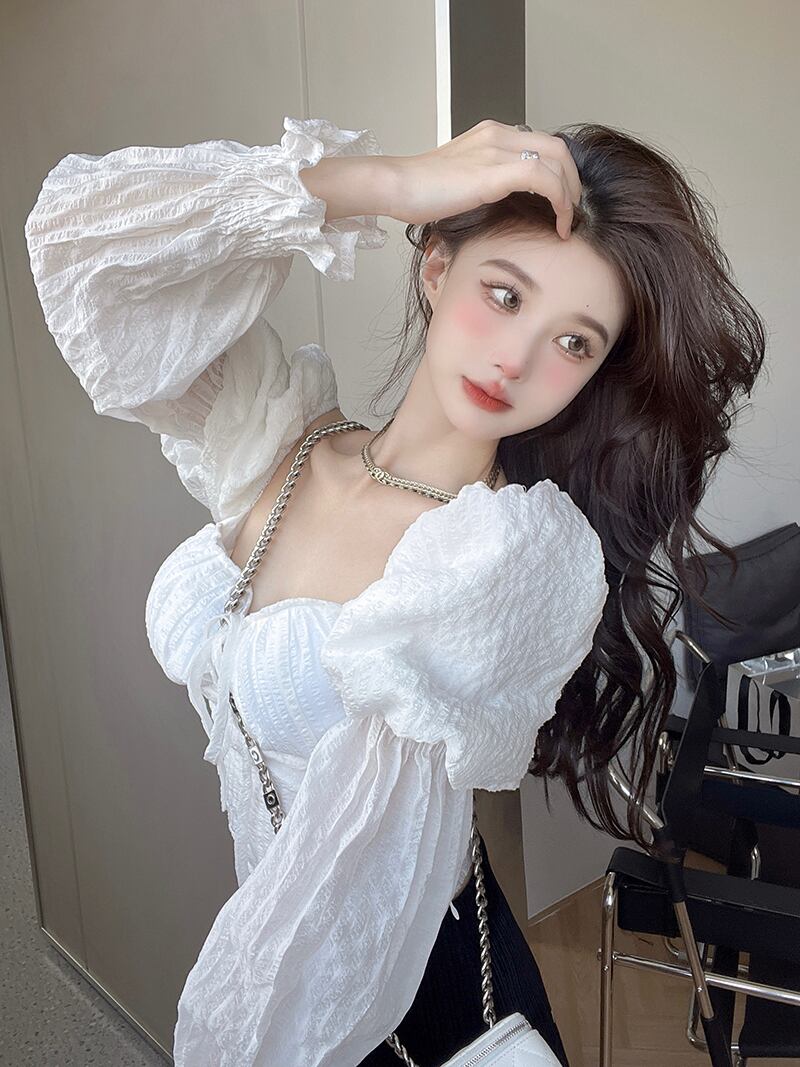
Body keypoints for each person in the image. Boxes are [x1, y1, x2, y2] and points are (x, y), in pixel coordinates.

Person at [23, 114, 765, 1067]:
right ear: (436, 267)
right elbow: (82, 254)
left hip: (402, 998)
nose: (515, 359)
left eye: (573, 343)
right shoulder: (276, 439)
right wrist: (387, 184)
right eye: (504, 294)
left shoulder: (499, 564)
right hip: (297, 963)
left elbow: (343, 895)